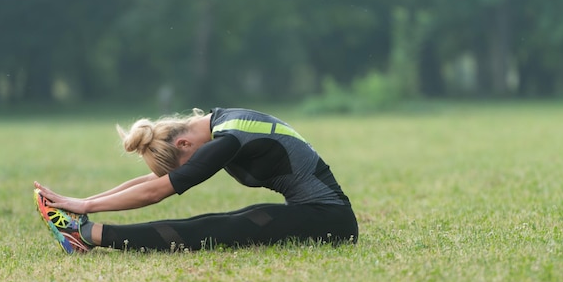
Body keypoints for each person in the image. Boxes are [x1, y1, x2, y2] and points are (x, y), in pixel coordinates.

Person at [34, 107, 358, 254]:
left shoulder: (227, 139)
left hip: (331, 220)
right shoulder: (222, 124)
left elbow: (155, 192)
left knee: (216, 229)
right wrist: (83, 201)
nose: (190, 170)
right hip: (314, 212)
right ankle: (84, 229)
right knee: (224, 221)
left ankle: (87, 234)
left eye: (183, 166)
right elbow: (151, 181)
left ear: (184, 145)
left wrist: (85, 206)